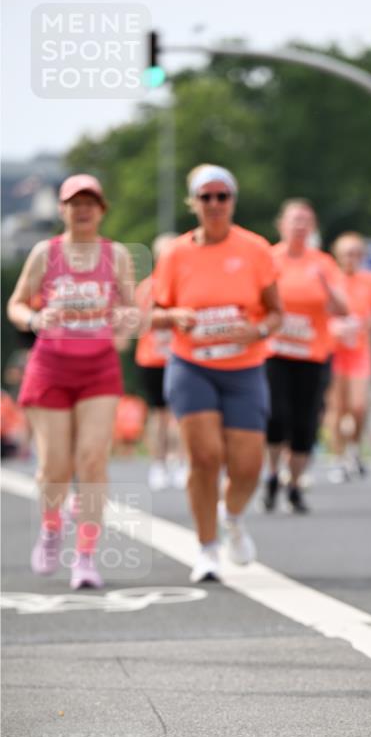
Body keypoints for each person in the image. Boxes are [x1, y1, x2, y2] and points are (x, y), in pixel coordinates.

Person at [151, 164, 282, 583]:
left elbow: (277, 313)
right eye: (205, 197)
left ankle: (234, 517)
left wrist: (256, 329)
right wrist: (174, 315)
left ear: (232, 201)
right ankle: (207, 549)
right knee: (204, 458)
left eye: (221, 196)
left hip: (244, 367)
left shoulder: (256, 249)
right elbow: (152, 313)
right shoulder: (176, 254)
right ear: (193, 203)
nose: (214, 205)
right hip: (192, 365)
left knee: (247, 466)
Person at [7, 174, 138, 589]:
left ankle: (85, 556)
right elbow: (15, 303)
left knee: (93, 461)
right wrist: (33, 318)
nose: (82, 209)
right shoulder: (45, 254)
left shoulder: (116, 256)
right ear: (62, 209)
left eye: (91, 202)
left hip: (98, 367)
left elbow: (132, 309)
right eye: (74, 202)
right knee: (54, 468)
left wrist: (122, 325)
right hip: (51, 367)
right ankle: (51, 527)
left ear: (101, 211)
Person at [264, 199, 347, 513]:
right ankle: (272, 474)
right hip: (275, 352)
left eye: (305, 221)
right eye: (294, 220)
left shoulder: (324, 264)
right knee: (275, 416)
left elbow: (343, 309)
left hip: (312, 355)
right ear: (281, 225)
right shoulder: (269, 259)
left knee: (304, 424)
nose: (299, 226)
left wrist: (327, 288)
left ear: (312, 227)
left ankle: (294, 485)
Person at [327, 232, 371, 481]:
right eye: (346, 254)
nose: (351, 258)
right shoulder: (330, 279)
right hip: (333, 351)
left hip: (359, 352)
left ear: (362, 256)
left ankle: (354, 450)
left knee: (359, 407)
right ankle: (340, 458)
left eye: (355, 253)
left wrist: (365, 323)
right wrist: (334, 326)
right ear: (338, 256)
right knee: (338, 408)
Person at [134, 233, 187, 491]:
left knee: (183, 413)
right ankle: (159, 464)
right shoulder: (147, 286)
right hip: (153, 357)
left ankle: (180, 462)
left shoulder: (186, 283)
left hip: (181, 355)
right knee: (159, 414)